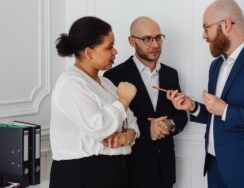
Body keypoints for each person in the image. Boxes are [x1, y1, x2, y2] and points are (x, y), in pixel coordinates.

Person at [167, 0, 244, 188]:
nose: (203, 35)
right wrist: (193, 107)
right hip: (216, 167)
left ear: (226, 24)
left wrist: (226, 110)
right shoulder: (216, 66)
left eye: (206, 28)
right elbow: (217, 115)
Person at [49, 16, 140, 188]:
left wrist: (129, 135)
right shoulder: (71, 83)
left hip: (112, 171)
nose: (115, 52)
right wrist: (124, 99)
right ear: (89, 52)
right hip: (81, 175)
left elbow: (131, 120)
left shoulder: (106, 83)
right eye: (110, 47)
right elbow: (99, 128)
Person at [104, 16, 188, 188]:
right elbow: (112, 123)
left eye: (158, 38)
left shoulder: (171, 74)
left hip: (165, 171)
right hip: (130, 171)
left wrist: (169, 123)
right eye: (147, 39)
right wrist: (147, 129)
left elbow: (181, 116)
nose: (155, 45)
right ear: (131, 41)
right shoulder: (114, 76)